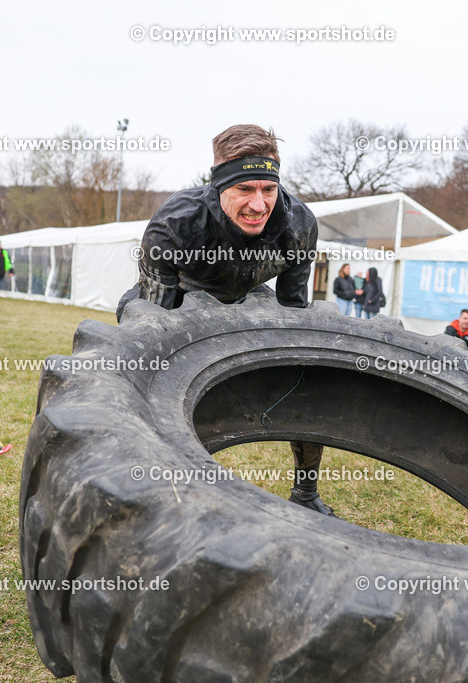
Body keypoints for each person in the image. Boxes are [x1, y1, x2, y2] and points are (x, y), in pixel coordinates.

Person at [116, 124, 335, 516]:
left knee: (307, 375)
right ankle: (152, 481)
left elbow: (293, 309)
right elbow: (151, 323)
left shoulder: (300, 224)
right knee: (141, 372)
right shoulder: (177, 223)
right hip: (178, 297)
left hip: (249, 299)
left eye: (268, 189)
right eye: (245, 189)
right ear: (220, 187)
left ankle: (306, 494)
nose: (259, 204)